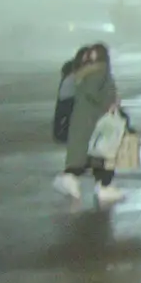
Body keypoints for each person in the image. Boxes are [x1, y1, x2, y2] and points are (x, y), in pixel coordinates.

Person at [53, 43, 125, 205]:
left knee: (88, 156)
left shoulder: (85, 73)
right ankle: (101, 187)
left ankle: (88, 183)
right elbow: (94, 93)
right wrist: (109, 104)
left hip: (86, 121)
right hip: (94, 121)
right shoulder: (100, 72)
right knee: (102, 153)